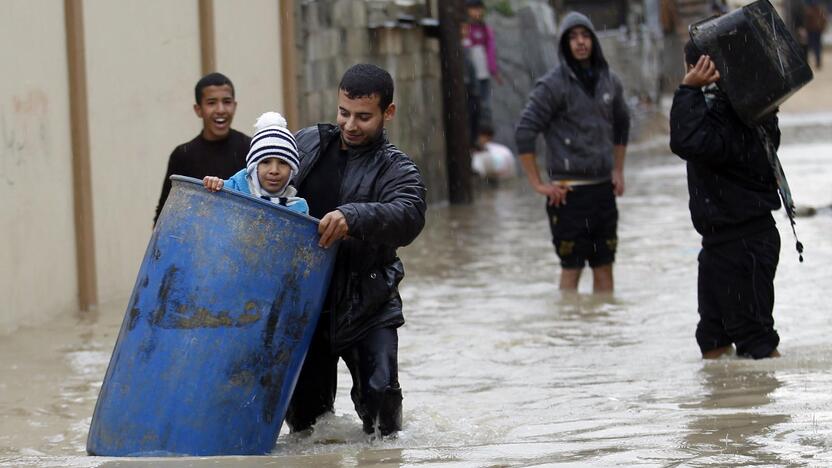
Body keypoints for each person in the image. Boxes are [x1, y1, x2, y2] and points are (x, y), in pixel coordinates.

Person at [286, 64, 427, 437]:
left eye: (363, 117)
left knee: (383, 417)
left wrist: (354, 217)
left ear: (388, 113)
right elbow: (258, 178)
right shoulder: (307, 143)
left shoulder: (397, 168)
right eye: (343, 112)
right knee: (307, 426)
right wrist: (222, 183)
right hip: (307, 308)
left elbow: (410, 216)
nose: (350, 125)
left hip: (369, 303)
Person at [669, 41, 783, 359]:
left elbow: (686, 141)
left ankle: (765, 405)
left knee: (756, 341)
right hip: (720, 243)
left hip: (744, 242)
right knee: (712, 337)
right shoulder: (738, 104)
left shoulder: (740, 110)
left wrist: (687, 90)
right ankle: (723, 406)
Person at [514, 12, 630, 292]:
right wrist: (538, 184)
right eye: (573, 37)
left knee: (605, 267)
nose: (580, 43)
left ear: (593, 40)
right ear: (564, 44)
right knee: (571, 269)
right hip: (568, 195)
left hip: (603, 191)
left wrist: (618, 169)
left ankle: (601, 331)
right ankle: (569, 332)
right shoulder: (553, 85)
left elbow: (622, 124)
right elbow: (524, 132)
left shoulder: (609, 81)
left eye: (585, 35)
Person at [154, 72, 250, 224]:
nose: (220, 109)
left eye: (227, 101)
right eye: (211, 103)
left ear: (235, 105)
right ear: (198, 109)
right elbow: (165, 213)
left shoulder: (251, 149)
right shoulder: (182, 156)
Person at [202, 112, 308, 214]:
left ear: (292, 170)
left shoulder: (298, 209)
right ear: (254, 167)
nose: (274, 170)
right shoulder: (231, 191)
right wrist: (213, 184)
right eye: (265, 162)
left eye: (283, 163)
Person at [465, 0, 501, 129]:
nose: (477, 13)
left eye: (479, 9)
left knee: (485, 105)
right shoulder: (466, 28)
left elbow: (490, 51)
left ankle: (484, 132)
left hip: (483, 73)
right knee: (472, 106)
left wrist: (494, 70)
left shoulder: (485, 29)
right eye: (474, 9)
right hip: (470, 76)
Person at [805, 0, 828, 69]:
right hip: (815, 31)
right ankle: (817, 62)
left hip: (813, 31)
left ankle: (816, 62)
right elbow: (824, 20)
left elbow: (807, 21)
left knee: (813, 47)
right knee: (816, 47)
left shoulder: (809, 11)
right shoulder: (820, 11)